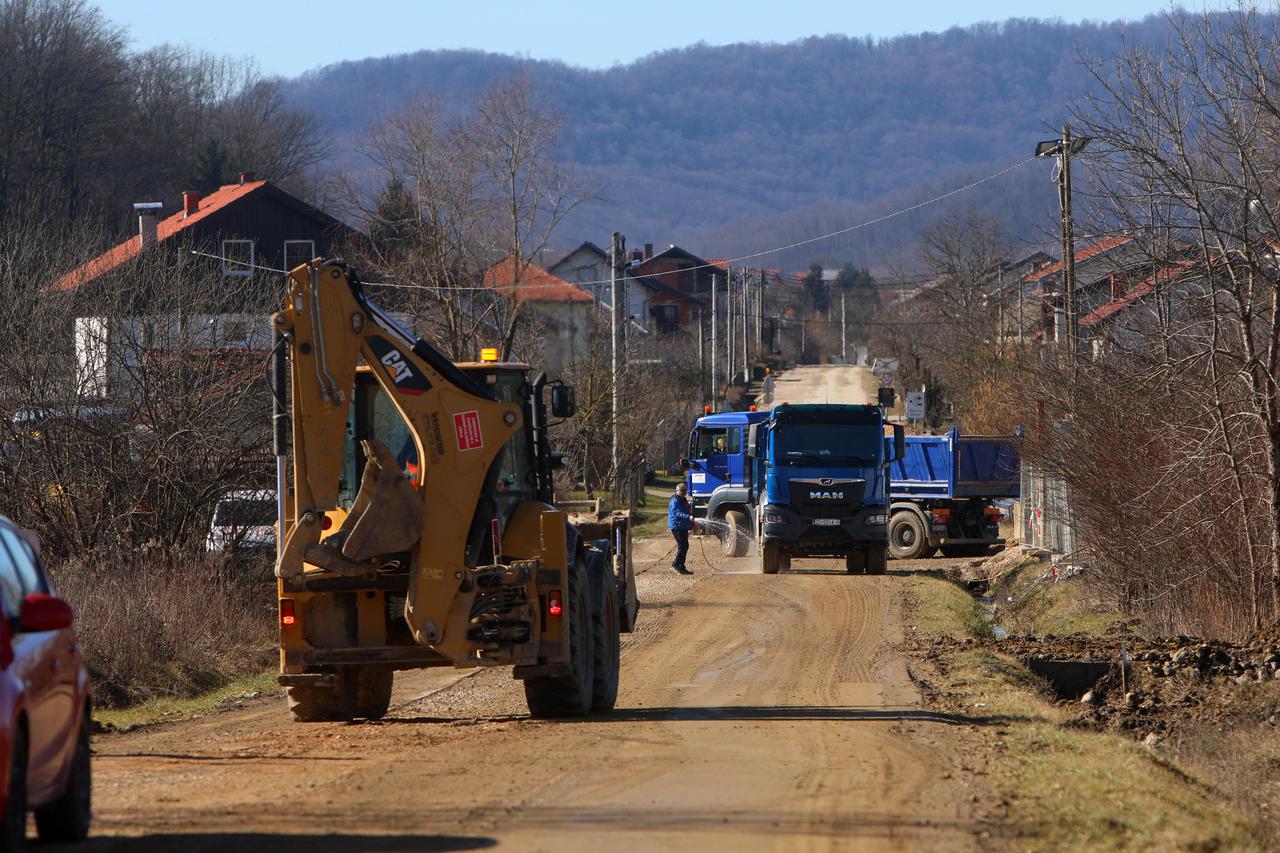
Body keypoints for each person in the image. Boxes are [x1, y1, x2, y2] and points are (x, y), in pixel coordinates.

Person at [668, 482, 695, 575]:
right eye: (682, 491)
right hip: (676, 526)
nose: (684, 492)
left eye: (685, 490)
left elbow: (686, 509)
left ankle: (681, 566)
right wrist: (688, 517)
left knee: (685, 546)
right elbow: (677, 512)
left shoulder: (683, 499)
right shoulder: (674, 500)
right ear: (677, 490)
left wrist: (690, 515)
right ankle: (675, 564)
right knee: (682, 546)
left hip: (683, 526)